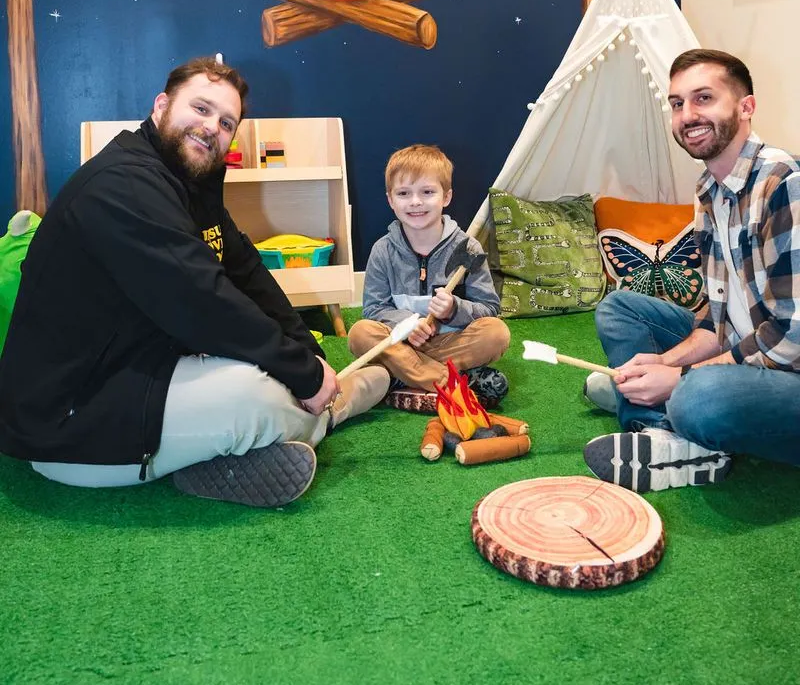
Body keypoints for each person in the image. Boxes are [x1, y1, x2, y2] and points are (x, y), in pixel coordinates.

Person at [0, 57, 389, 508]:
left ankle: (216, 455)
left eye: (226, 122)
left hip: (134, 367)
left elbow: (247, 274)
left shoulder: (189, 182)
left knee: (267, 366)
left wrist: (308, 353)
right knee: (258, 392)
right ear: (161, 105)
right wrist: (304, 377)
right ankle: (333, 411)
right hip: (70, 423)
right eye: (200, 109)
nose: (211, 128)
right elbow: (203, 298)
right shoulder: (123, 183)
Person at [584, 48, 800, 492]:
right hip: (744, 345)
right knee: (619, 308)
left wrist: (681, 377)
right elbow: (713, 318)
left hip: (789, 369)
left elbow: (792, 338)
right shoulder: (709, 191)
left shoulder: (784, 184)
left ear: (746, 107)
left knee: (700, 397)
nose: (687, 115)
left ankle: (673, 411)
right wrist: (660, 363)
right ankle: (655, 426)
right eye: (677, 103)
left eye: (703, 98)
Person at [348, 145, 510, 407]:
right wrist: (408, 324)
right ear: (390, 199)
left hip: (449, 343)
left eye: (427, 192)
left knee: (496, 333)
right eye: (403, 193)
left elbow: (489, 309)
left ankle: (402, 377)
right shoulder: (383, 250)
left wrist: (454, 309)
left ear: (446, 197)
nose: (415, 202)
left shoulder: (467, 249)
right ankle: (454, 383)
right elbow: (374, 309)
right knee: (360, 333)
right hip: (402, 344)